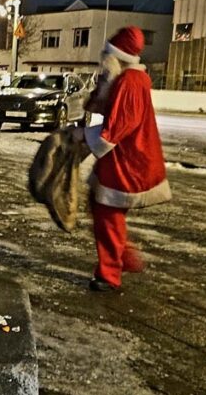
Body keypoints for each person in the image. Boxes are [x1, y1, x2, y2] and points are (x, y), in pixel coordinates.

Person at [72, 26, 171, 291]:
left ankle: (110, 273)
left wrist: (84, 136)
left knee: (108, 216)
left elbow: (118, 126)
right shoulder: (123, 79)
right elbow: (108, 107)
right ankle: (123, 257)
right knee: (102, 210)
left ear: (115, 56)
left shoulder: (130, 82)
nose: (103, 59)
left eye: (107, 54)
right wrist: (100, 91)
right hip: (121, 159)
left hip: (127, 161)